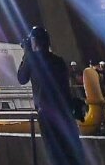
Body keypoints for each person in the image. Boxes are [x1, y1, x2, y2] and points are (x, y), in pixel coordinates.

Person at [18, 26, 85, 165]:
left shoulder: (33, 60)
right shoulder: (58, 61)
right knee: (71, 152)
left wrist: (27, 53)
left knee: (55, 153)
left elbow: (22, 78)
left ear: (34, 41)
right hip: (65, 112)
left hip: (47, 115)